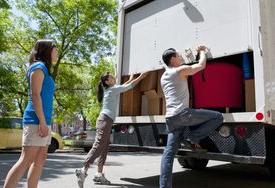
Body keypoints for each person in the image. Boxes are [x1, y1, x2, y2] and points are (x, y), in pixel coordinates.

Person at [159, 46, 223, 188]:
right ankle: (193, 137)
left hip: (170, 119)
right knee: (218, 117)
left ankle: (164, 186)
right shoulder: (179, 71)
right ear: (173, 59)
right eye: (179, 56)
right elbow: (201, 65)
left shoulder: (163, 76)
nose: (181, 58)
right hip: (182, 115)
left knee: (168, 155)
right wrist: (202, 52)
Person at [75, 71, 148, 188]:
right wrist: (140, 77)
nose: (114, 77)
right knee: (98, 146)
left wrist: (130, 78)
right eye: (111, 77)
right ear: (107, 82)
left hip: (106, 121)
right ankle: (83, 170)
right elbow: (129, 87)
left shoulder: (111, 89)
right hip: (105, 120)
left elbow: (123, 86)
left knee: (104, 148)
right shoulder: (113, 90)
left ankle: (99, 174)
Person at [3, 39, 57, 188]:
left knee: (40, 158)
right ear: (47, 51)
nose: (57, 52)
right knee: (26, 159)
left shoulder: (45, 70)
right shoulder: (38, 67)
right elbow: (35, 95)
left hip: (44, 120)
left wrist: (45, 122)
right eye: (55, 49)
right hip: (35, 120)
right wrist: (41, 122)